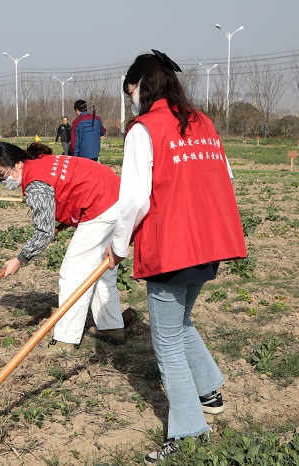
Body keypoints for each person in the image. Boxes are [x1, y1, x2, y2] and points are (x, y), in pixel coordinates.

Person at [105, 50, 247, 463]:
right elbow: (225, 176)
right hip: (210, 242)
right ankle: (210, 391)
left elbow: (132, 200)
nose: (130, 100)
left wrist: (117, 246)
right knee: (180, 322)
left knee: (165, 337)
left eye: (130, 91)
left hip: (173, 246)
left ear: (141, 87)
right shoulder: (202, 122)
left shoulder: (143, 129)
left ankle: (188, 433)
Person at [0, 141, 125, 356]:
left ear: (18, 164)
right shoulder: (40, 162)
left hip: (102, 205)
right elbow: (69, 189)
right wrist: (63, 223)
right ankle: (111, 327)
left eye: (4, 175)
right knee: (101, 271)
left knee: (73, 273)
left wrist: (19, 259)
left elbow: (43, 232)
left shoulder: (35, 183)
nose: (5, 182)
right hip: (114, 194)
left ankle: (65, 341)